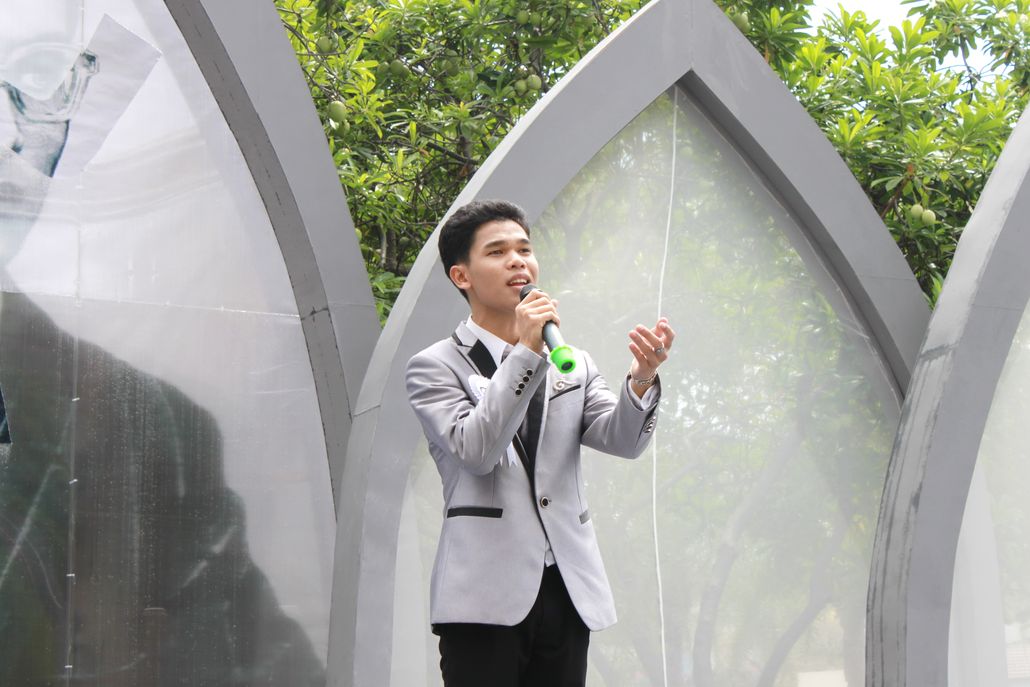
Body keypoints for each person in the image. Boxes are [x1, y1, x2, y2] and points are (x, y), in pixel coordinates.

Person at [405, 199, 675, 687]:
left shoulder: (572, 361)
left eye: (524, 250)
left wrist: (641, 379)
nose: (518, 261)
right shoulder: (434, 366)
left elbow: (623, 441)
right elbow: (476, 451)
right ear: (461, 276)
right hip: (482, 597)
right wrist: (526, 351)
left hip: (567, 588)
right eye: (497, 252)